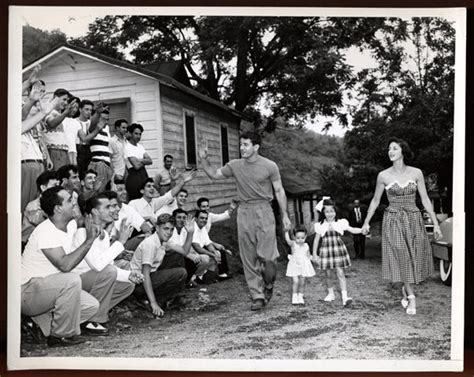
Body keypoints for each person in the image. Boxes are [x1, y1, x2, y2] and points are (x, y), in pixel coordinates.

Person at [198, 131, 291, 311]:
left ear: (256, 147)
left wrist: (285, 215)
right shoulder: (235, 165)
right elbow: (214, 174)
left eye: (246, 145)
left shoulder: (270, 166)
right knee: (248, 257)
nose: (242, 148)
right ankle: (257, 296)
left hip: (264, 210)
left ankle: (268, 284)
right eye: (241, 144)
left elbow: (279, 191)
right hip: (244, 212)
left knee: (268, 258)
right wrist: (204, 159)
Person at [361, 139, 442, 315]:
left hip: (413, 219)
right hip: (393, 220)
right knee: (402, 256)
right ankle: (412, 297)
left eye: (394, 148)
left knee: (414, 257)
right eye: (389, 148)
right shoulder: (383, 176)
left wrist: (435, 223)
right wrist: (366, 222)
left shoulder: (416, 173)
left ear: (402, 151)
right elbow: (375, 200)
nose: (390, 151)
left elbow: (425, 199)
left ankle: (405, 289)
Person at [21, 186, 100, 347]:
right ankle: (59, 335)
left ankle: (40, 325)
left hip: (49, 289)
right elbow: (65, 265)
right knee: (71, 280)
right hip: (27, 291)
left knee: (91, 306)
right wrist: (89, 240)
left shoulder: (69, 225)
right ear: (58, 208)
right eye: (69, 200)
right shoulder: (45, 232)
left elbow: (81, 221)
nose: (74, 203)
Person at [71, 193, 144, 334]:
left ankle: (88, 316)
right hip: (77, 282)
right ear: (95, 211)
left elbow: (107, 266)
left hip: (94, 281)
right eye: (108, 207)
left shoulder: (104, 235)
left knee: (128, 285)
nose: (113, 210)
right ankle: (93, 320)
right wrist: (121, 242)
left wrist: (129, 275)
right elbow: (98, 266)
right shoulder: (82, 233)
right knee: (109, 272)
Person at [131, 214, 188, 317]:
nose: (169, 233)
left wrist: (191, 233)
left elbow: (184, 251)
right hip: (138, 283)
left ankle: (165, 299)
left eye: (171, 230)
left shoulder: (163, 240)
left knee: (177, 256)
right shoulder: (150, 244)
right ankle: (152, 301)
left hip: (151, 277)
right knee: (181, 273)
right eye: (166, 229)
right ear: (157, 228)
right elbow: (145, 275)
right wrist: (153, 303)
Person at [312, 199, 362, 307]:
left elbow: (352, 229)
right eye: (327, 212)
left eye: (332, 211)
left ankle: (345, 297)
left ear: (336, 211)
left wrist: (362, 230)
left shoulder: (340, 223)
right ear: (323, 213)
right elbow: (316, 240)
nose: (330, 214)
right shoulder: (320, 225)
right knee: (328, 274)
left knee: (340, 272)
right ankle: (331, 294)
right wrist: (314, 254)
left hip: (338, 249)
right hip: (326, 250)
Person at [21, 81, 59, 211]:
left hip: (38, 163)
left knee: (38, 202)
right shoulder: (17, 123)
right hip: (25, 165)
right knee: (24, 203)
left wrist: (46, 157)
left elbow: (40, 139)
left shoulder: (33, 127)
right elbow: (21, 116)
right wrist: (33, 102)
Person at [128, 171, 196, 226]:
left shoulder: (154, 202)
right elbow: (129, 219)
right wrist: (148, 218)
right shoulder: (134, 203)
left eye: (153, 186)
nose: (152, 188)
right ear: (142, 191)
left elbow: (170, 195)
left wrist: (183, 181)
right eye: (149, 186)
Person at [168, 208, 214, 287]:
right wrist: (188, 255)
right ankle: (183, 283)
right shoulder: (170, 230)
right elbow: (173, 247)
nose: (182, 220)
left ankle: (192, 279)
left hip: (182, 253)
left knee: (203, 258)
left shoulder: (184, 230)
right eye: (179, 217)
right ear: (174, 219)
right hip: (171, 256)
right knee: (190, 261)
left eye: (184, 218)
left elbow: (189, 245)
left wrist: (194, 254)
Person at [41, 88, 78, 170]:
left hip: (63, 151)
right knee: (57, 179)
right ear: (55, 97)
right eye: (64, 99)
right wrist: (65, 113)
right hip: (54, 150)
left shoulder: (59, 113)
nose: (65, 103)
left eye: (67, 101)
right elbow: (51, 124)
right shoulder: (48, 110)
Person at [22, 170, 59, 247]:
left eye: (58, 185)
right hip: (28, 243)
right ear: (43, 187)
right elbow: (43, 223)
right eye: (54, 185)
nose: (57, 189)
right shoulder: (33, 206)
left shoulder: (55, 203)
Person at [191, 210, 230, 283]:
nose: (204, 220)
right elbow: (197, 248)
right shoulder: (193, 228)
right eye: (202, 218)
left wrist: (215, 253)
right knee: (207, 258)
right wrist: (213, 255)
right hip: (191, 253)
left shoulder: (202, 228)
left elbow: (208, 244)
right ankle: (194, 277)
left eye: (206, 218)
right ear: (196, 218)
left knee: (217, 254)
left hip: (199, 252)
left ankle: (205, 277)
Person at [284, 228, 315, 305]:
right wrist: (286, 232)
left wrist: (315, 259)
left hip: (303, 265)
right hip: (294, 265)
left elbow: (308, 255)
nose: (300, 240)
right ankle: (294, 297)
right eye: (298, 238)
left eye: (302, 238)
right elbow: (288, 240)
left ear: (305, 237)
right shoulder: (293, 244)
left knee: (302, 282)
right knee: (296, 281)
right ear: (294, 237)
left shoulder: (306, 245)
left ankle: (300, 296)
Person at [124, 123, 153, 200]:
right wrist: (144, 161)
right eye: (136, 134)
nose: (138, 136)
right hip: (134, 176)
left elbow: (150, 161)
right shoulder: (127, 147)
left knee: (146, 200)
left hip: (144, 175)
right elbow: (136, 166)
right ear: (130, 133)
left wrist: (140, 160)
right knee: (135, 201)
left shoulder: (140, 147)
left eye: (140, 134)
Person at [88, 108, 113, 193]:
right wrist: (97, 113)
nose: (105, 122)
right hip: (98, 163)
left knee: (105, 192)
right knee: (98, 192)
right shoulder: (93, 128)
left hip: (107, 165)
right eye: (103, 119)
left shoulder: (107, 129)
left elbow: (108, 149)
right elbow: (92, 124)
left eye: (107, 119)